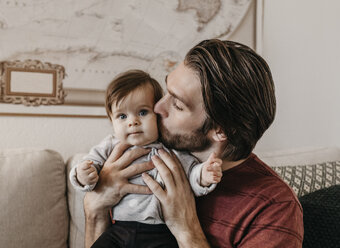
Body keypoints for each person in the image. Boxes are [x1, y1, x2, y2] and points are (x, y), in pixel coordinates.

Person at [83, 39, 304, 248]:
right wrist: (95, 208)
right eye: (166, 91)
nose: (158, 107)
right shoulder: (130, 161)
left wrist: (187, 230)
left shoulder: (274, 206)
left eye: (177, 104)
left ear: (220, 130)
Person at [70, 70, 222, 247]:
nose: (132, 122)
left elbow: (190, 174)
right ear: (111, 121)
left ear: (157, 115)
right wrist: (83, 175)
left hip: (161, 232)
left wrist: (204, 175)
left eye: (142, 112)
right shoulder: (110, 146)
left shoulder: (172, 150)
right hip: (119, 229)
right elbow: (89, 164)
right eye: (122, 116)